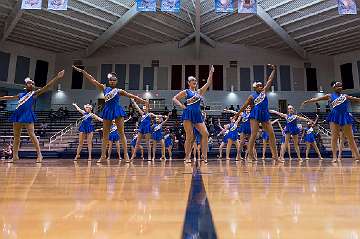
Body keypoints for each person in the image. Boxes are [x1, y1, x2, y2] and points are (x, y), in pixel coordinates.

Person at [72, 66, 147, 163]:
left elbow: (131, 95)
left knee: (121, 133)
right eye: (111, 80)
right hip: (107, 111)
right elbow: (92, 79)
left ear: (116, 81)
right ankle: (103, 156)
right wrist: (82, 71)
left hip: (117, 110)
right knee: (105, 134)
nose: (112, 81)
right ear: (109, 81)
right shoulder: (104, 88)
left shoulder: (119, 91)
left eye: (114, 80)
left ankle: (125, 155)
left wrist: (142, 101)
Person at [0, 70, 64, 163]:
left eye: (31, 83)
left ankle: (39, 155)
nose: (30, 85)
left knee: (32, 135)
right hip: (17, 114)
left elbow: (47, 86)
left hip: (27, 114)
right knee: (16, 137)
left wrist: (57, 77)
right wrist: (1, 98)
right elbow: (10, 97)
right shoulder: (20, 94)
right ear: (25, 85)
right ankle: (15, 157)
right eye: (28, 83)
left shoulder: (34, 93)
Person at [302, 81, 360, 162]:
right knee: (334, 137)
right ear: (334, 87)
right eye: (337, 86)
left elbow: (357, 99)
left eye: (341, 86)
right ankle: (334, 157)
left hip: (345, 116)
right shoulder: (330, 95)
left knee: (351, 138)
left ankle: (358, 156)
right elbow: (317, 99)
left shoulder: (345, 96)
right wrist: (307, 101)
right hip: (334, 116)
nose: (339, 87)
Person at [235, 64, 278, 161]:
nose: (260, 87)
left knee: (272, 134)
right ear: (255, 88)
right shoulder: (252, 96)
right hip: (255, 114)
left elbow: (270, 80)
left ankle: (275, 156)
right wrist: (236, 115)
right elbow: (244, 106)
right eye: (258, 86)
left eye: (261, 85)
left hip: (264, 114)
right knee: (253, 134)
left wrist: (274, 70)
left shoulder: (264, 92)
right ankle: (251, 155)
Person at [173, 66, 214, 163]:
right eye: (192, 80)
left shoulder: (199, 92)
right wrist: (181, 105)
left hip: (197, 114)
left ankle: (204, 156)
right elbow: (174, 98)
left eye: (195, 80)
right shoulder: (186, 91)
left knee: (205, 133)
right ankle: (187, 157)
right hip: (188, 113)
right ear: (189, 83)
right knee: (190, 136)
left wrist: (211, 73)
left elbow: (208, 83)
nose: (194, 81)